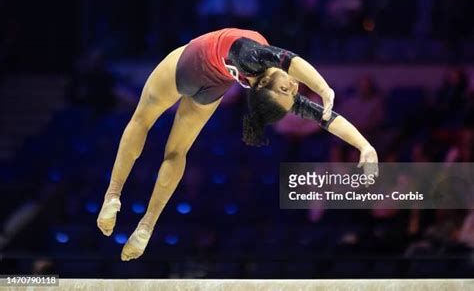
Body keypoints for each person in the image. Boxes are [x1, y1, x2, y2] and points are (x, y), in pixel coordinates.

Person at [96, 28, 379, 261]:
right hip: (213, 87)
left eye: (287, 89)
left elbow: (292, 60)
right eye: (292, 89)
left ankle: (113, 196)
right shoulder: (263, 75)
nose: (293, 87)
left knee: (141, 121)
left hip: (187, 66)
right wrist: (364, 145)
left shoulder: (252, 55)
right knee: (177, 151)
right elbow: (326, 119)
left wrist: (324, 89)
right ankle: (146, 226)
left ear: (266, 84)